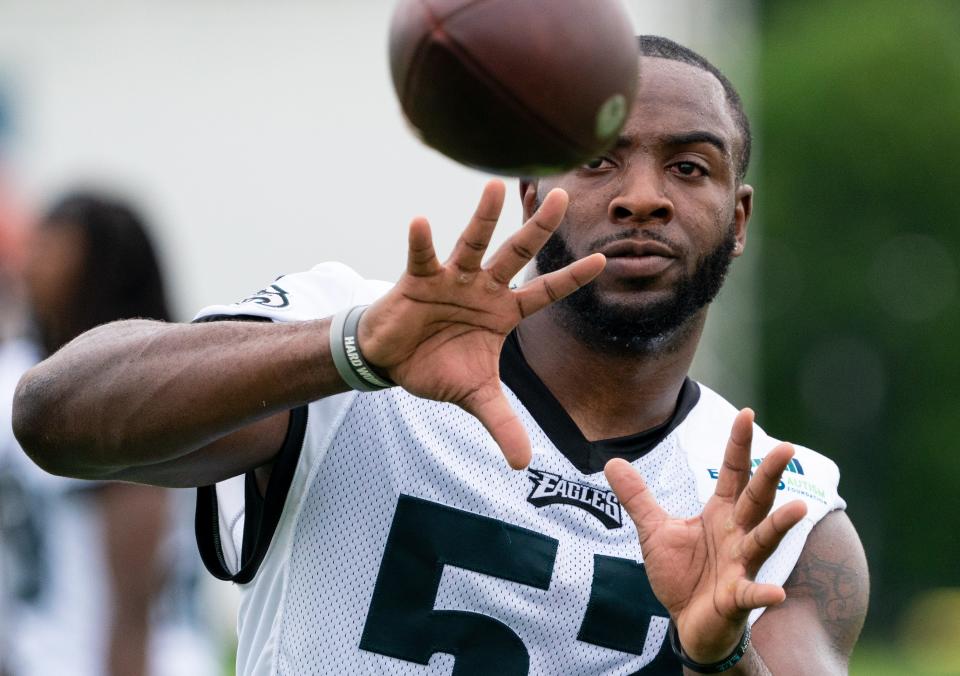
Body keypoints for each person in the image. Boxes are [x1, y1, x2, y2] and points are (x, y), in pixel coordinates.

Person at [11, 36, 868, 674]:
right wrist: (349, 351)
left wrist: (717, 658)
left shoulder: (781, 508)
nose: (643, 197)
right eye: (601, 160)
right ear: (535, 189)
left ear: (741, 217)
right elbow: (54, 417)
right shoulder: (358, 343)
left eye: (690, 167)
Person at [0, 192, 218, 676]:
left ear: (98, 267)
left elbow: (133, 599)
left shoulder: (124, 395)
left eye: (49, 246)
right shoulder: (24, 371)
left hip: (126, 661)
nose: (30, 263)